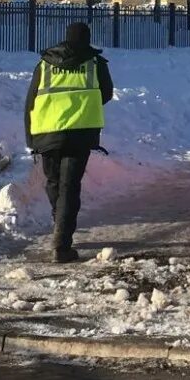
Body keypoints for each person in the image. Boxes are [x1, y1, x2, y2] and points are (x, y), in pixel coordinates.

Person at [24, 21, 113, 263]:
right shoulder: (95, 64)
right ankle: (62, 244)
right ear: (87, 38)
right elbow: (106, 93)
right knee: (69, 187)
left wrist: (30, 137)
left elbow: (31, 100)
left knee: (54, 182)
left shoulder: (45, 64)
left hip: (47, 132)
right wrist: (83, 104)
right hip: (79, 133)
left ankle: (59, 225)